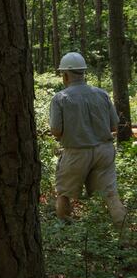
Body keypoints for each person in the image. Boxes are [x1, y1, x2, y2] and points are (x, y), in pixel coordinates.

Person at [49, 52, 127, 226]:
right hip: (104, 152)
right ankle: (126, 240)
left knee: (64, 193)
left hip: (75, 152)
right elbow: (114, 127)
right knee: (111, 195)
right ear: (84, 72)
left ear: (65, 75)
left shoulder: (60, 98)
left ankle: (64, 235)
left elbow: (56, 131)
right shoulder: (102, 94)